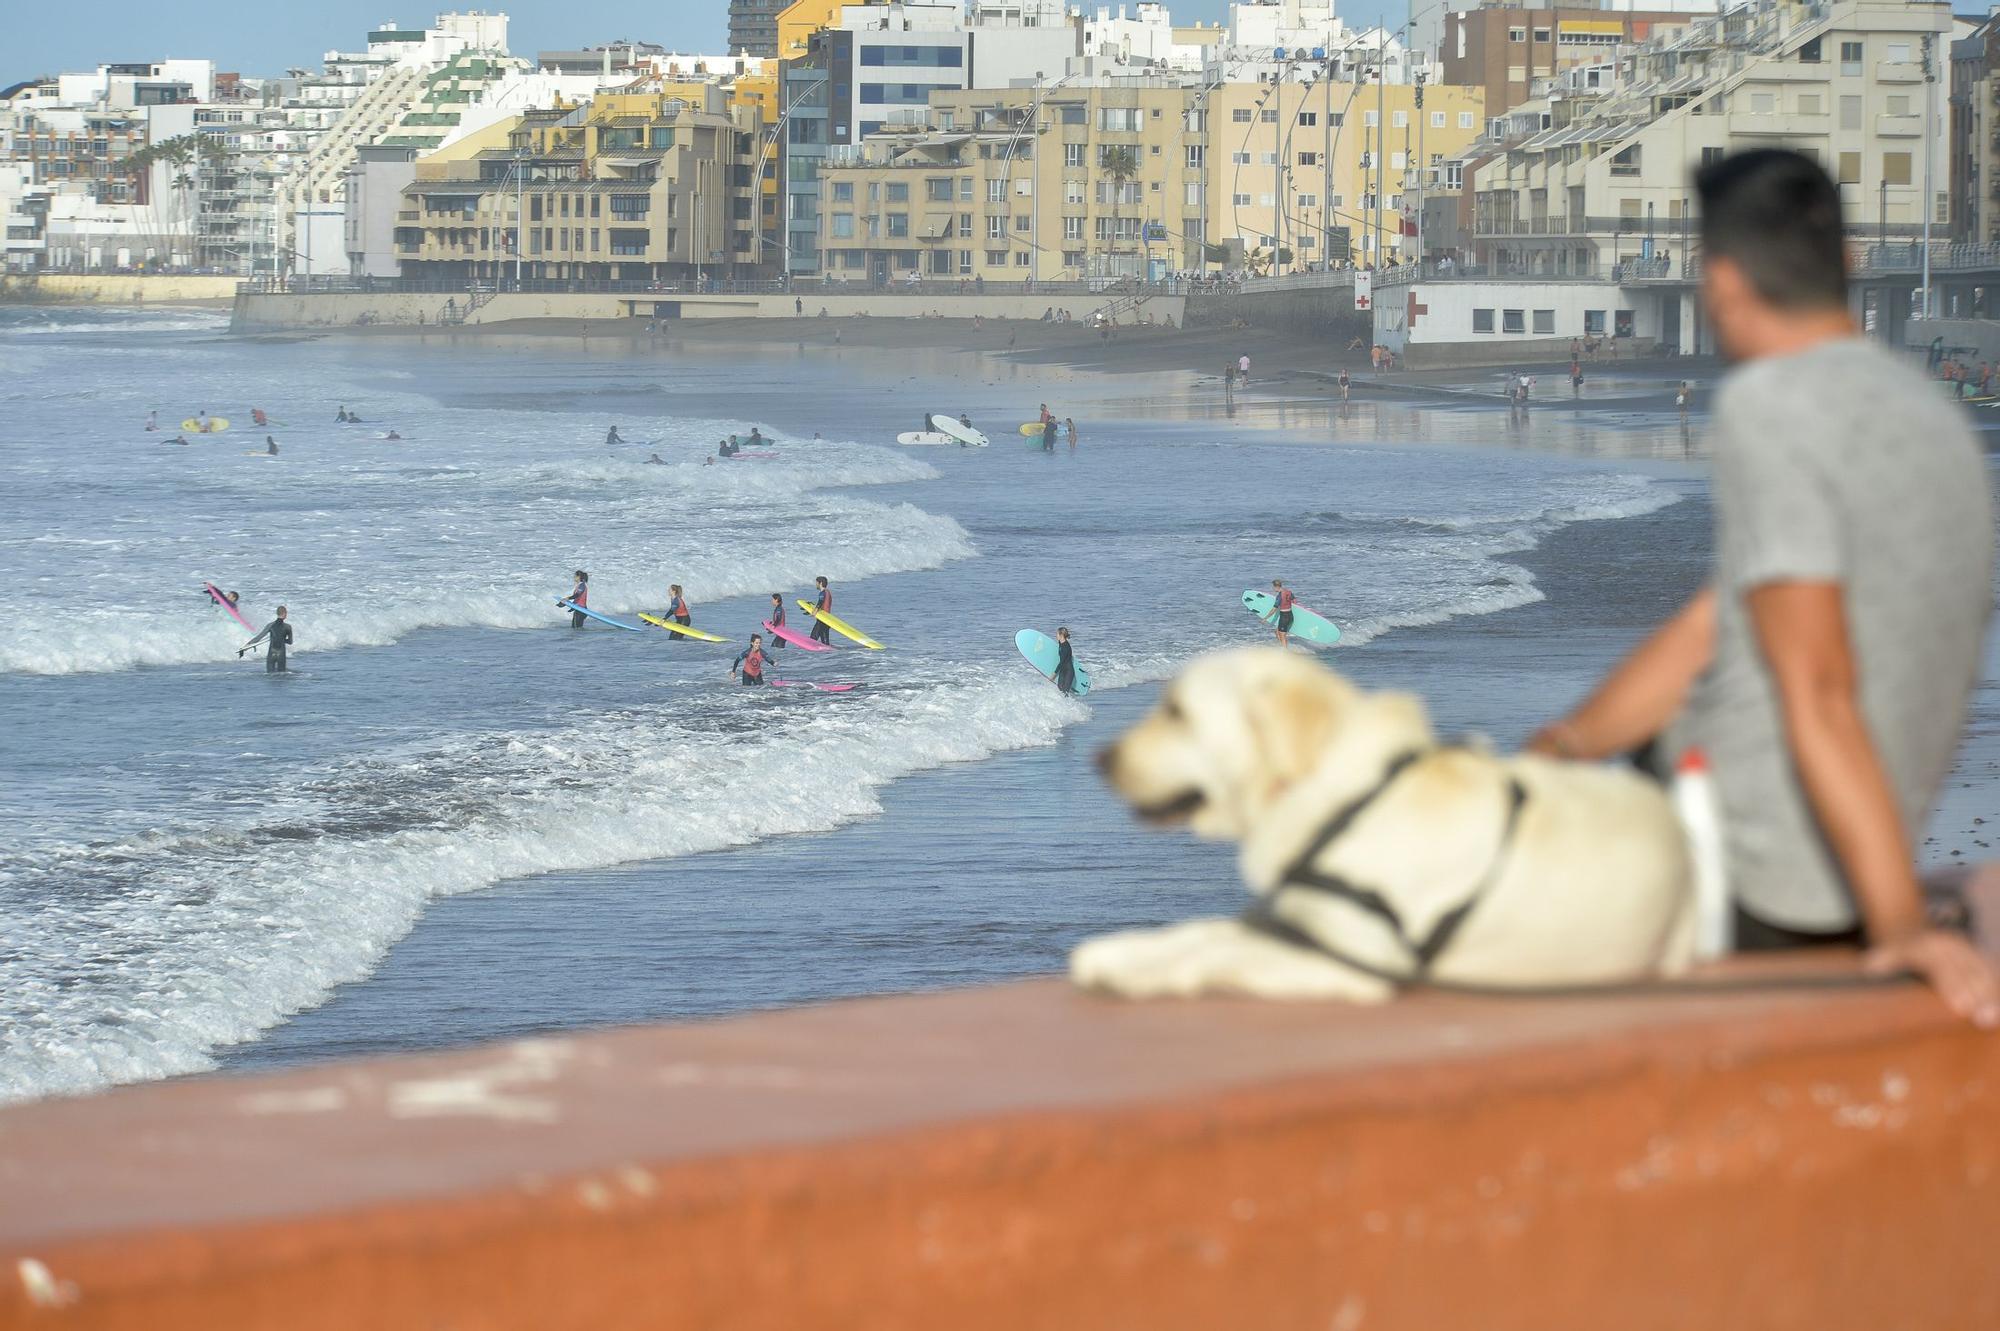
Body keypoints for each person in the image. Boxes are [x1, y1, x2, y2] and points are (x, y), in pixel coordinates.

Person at [1527, 149, 1997, 1026]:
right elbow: (1725, 622)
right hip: (1859, 849)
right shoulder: (1932, 413)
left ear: (1722, 282)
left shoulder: (1770, 404)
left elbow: (1816, 684)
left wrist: (1898, 923)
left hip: (1754, 870)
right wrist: (1561, 745)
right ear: (1845, 263)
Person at [239, 606, 293, 673]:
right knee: (282, 675)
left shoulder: (270, 625)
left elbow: (259, 637)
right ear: (285, 614)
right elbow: (290, 642)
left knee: (269, 674)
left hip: (271, 653)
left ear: (277, 613)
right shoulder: (288, 627)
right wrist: (282, 639)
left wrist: (246, 647)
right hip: (281, 654)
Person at [1263, 578, 1296, 647]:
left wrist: (1265, 618)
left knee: (1282, 635)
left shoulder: (1279, 596)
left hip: (1284, 617)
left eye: (1273, 587)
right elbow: (1294, 600)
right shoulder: (1289, 592)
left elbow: (1274, 609)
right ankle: (1283, 647)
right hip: (1290, 615)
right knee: (1277, 632)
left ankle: (1285, 650)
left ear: (1276, 586)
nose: (1273, 589)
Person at [807, 575, 834, 646]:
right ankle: (828, 651)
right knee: (825, 642)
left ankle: (809, 651)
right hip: (827, 618)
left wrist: (815, 612)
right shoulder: (828, 592)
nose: (816, 585)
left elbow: (820, 602)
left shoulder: (822, 593)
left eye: (816, 583)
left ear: (821, 583)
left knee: (813, 638)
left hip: (822, 619)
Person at [1052, 626, 1079, 695]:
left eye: (1057, 634)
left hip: (1068, 672)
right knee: (1060, 689)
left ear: (1061, 635)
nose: (1056, 635)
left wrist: (1054, 675)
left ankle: (1069, 702)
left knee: (1065, 692)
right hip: (1062, 671)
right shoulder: (1061, 643)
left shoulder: (1066, 647)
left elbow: (1061, 662)